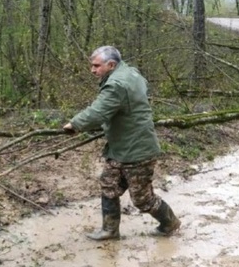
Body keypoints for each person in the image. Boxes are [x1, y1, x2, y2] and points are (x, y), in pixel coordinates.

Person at [63, 46, 181, 240]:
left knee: (142, 199)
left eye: (96, 66)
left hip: (137, 150)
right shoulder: (130, 72)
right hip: (120, 147)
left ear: (111, 65)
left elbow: (97, 112)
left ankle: (170, 223)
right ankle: (110, 230)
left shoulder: (117, 84)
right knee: (108, 184)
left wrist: (74, 124)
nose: (92, 70)